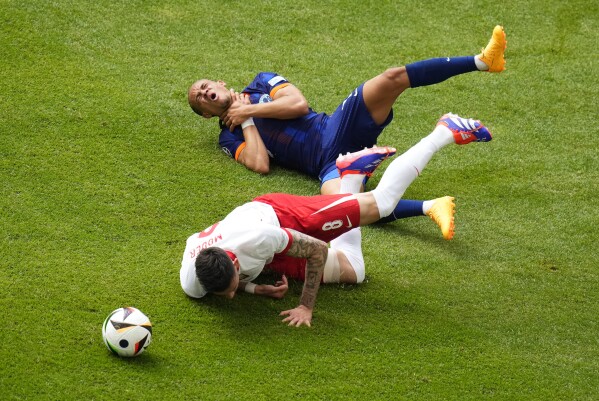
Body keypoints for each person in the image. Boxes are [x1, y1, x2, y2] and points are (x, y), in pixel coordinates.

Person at [187, 26, 507, 240]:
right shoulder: (228, 137)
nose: (204, 94)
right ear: (205, 114)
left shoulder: (260, 83)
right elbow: (259, 164)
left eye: (204, 87)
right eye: (200, 99)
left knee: (392, 78)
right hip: (326, 166)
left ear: (218, 83)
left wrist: (251, 109)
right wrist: (245, 122)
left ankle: (482, 61)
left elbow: (298, 104)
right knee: (350, 208)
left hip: (335, 126)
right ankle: (429, 206)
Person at [180, 112, 493, 327]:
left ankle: (444, 131)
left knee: (382, 204)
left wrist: (305, 305)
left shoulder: (258, 239)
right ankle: (351, 177)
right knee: (353, 272)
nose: (231, 296)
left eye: (232, 288)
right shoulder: (193, 282)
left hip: (282, 216)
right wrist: (252, 288)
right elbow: (198, 248)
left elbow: (316, 250)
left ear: (234, 264)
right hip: (265, 245)